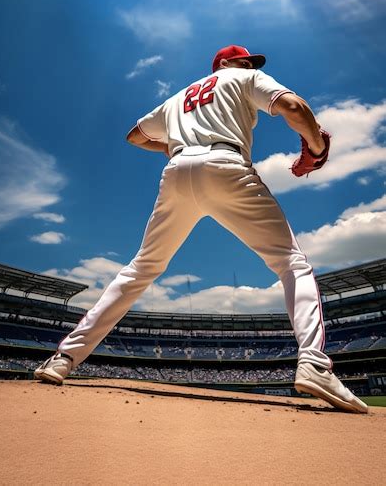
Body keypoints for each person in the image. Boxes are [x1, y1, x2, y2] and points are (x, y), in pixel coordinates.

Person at [34, 44, 367, 413]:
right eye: (243, 60)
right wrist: (317, 147)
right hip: (226, 165)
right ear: (224, 64)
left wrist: (172, 145)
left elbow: (135, 136)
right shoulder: (244, 78)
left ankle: (64, 358)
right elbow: (293, 107)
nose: (248, 64)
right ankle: (315, 364)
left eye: (249, 63)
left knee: (141, 269)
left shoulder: (179, 97)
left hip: (177, 171)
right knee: (292, 263)